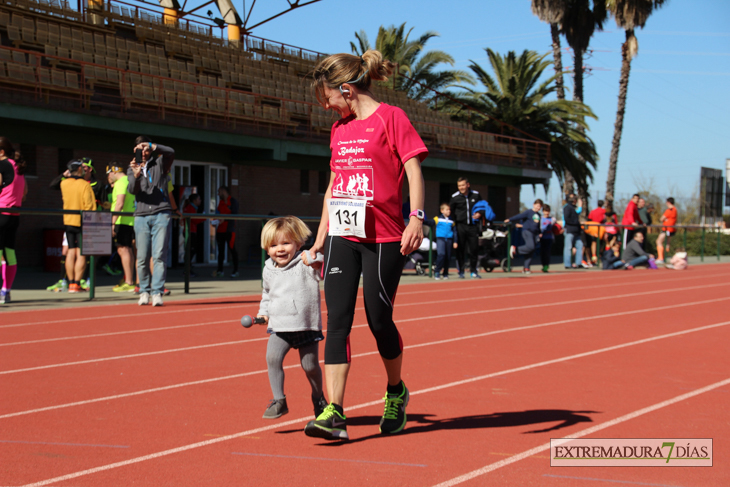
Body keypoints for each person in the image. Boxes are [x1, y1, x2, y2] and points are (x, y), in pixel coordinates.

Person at [305, 49, 427, 440]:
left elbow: (413, 169)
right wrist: (321, 236)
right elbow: (333, 186)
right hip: (344, 234)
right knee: (337, 320)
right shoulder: (338, 129)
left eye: (327, 96)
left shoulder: (392, 118)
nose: (325, 105)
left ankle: (396, 391)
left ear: (346, 89)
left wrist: (417, 218)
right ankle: (335, 412)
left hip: (385, 236)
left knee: (379, 320)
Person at [256, 216, 328, 420]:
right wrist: (264, 312)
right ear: (266, 249)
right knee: (272, 358)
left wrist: (315, 260)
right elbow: (267, 294)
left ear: (298, 242)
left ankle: (318, 398)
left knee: (310, 367)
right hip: (280, 326)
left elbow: (323, 267)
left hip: (305, 325)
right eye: (273, 245)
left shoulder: (306, 260)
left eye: (286, 243)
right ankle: (279, 400)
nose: (279, 249)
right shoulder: (268, 268)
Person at [127, 135, 175, 307]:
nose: (144, 152)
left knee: (159, 255)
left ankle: (157, 292)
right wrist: (136, 175)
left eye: (146, 148)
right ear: (135, 150)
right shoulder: (131, 167)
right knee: (142, 256)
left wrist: (153, 145)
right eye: (140, 149)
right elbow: (133, 190)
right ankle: (144, 291)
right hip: (141, 215)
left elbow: (171, 152)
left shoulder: (160, 163)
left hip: (161, 213)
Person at [60, 159, 97, 292]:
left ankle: (70, 283)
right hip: (82, 221)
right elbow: (90, 205)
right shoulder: (84, 185)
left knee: (71, 250)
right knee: (82, 253)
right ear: (80, 170)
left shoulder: (64, 183)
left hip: (68, 220)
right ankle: (76, 283)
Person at [0, 139, 27, 304]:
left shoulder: (1, 165)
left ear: (1, 152)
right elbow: (25, 191)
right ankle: (6, 290)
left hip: (1, 211)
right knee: (9, 253)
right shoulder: (19, 167)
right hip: (14, 215)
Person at [107, 164, 136, 293]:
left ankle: (129, 281)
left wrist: (112, 223)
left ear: (112, 173)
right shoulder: (130, 179)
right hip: (132, 220)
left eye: (108, 175)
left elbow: (119, 203)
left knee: (123, 250)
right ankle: (131, 280)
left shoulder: (120, 182)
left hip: (122, 220)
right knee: (130, 250)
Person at [449, 177, 483, 279]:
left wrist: (479, 214)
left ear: (468, 185)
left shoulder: (476, 195)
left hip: (473, 226)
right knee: (460, 249)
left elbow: (482, 207)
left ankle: (473, 271)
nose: (461, 187)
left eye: (463, 185)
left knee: (474, 249)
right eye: (459, 186)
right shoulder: (455, 197)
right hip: (460, 226)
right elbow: (451, 212)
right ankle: (461, 271)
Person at [506, 199, 543, 274]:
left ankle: (526, 267)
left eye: (540, 207)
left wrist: (539, 232)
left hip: (535, 233)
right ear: (534, 204)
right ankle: (515, 249)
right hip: (527, 231)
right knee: (531, 246)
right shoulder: (529, 212)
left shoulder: (538, 215)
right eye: (537, 206)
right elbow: (520, 216)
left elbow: (538, 226)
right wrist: (510, 219)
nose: (538, 208)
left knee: (531, 251)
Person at [213, 185, 239, 278]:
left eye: (219, 192)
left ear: (224, 191)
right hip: (220, 230)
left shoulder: (232, 201)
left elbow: (235, 215)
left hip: (229, 230)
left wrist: (225, 219)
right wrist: (214, 221)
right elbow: (217, 213)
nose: (218, 194)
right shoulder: (220, 202)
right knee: (220, 252)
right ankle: (220, 270)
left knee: (232, 250)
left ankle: (236, 271)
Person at [433, 202, 457, 280]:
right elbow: (430, 222)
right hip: (441, 239)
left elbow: (455, 231)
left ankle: (445, 273)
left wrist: (455, 241)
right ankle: (437, 271)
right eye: (447, 210)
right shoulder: (438, 218)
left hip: (449, 240)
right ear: (442, 210)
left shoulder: (452, 220)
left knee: (448, 257)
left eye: (449, 210)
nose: (449, 211)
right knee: (441, 254)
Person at [182, 193, 204, 277]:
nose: (200, 201)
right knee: (190, 251)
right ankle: (187, 270)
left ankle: (188, 269)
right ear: (194, 201)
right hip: (189, 232)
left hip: (191, 231)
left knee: (191, 251)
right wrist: (204, 217)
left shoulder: (192, 208)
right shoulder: (190, 208)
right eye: (199, 199)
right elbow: (194, 220)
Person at [562, 194, 583, 269]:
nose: (574, 200)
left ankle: (578, 263)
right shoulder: (567, 207)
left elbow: (578, 212)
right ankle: (567, 264)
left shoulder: (573, 208)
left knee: (580, 245)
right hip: (569, 230)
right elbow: (567, 219)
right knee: (568, 247)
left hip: (576, 231)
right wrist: (576, 223)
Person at [655, 197, 677, 265]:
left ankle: (661, 258)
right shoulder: (675, 209)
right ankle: (664, 257)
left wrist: (665, 219)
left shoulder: (669, 210)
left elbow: (661, 218)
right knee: (667, 243)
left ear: (668, 202)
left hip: (667, 229)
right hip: (671, 229)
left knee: (658, 241)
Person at [539, 204, 556, 273]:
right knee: (542, 253)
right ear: (543, 211)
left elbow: (556, 228)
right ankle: (543, 265)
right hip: (542, 238)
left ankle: (546, 265)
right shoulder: (540, 219)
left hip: (549, 238)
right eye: (545, 211)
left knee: (547, 252)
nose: (547, 213)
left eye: (548, 211)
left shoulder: (552, 219)